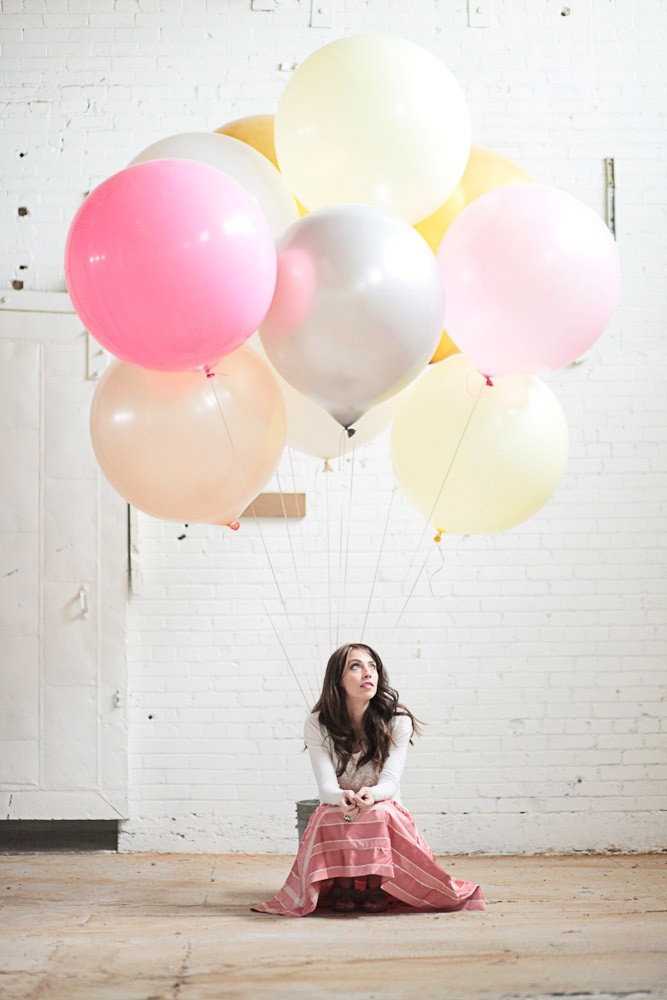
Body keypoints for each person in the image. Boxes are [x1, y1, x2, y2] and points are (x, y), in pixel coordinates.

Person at [253, 642, 485, 916]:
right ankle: (342, 886)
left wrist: (371, 795)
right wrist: (342, 797)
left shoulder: (397, 720)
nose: (368, 673)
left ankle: (376, 887)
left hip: (383, 803)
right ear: (337, 680)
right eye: (356, 666)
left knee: (378, 813)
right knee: (329, 816)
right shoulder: (318, 723)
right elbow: (326, 787)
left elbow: (390, 782)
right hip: (341, 803)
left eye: (372, 666)